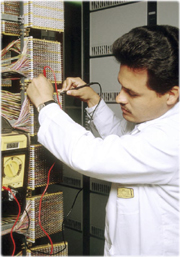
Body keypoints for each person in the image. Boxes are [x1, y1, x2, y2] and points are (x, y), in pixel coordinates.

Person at [27, 25, 179, 256]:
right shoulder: (157, 122)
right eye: (121, 86)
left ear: (171, 95)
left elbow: (90, 155)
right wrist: (94, 101)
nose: (119, 98)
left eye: (132, 93)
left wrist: (46, 106)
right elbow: (125, 140)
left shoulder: (171, 139)